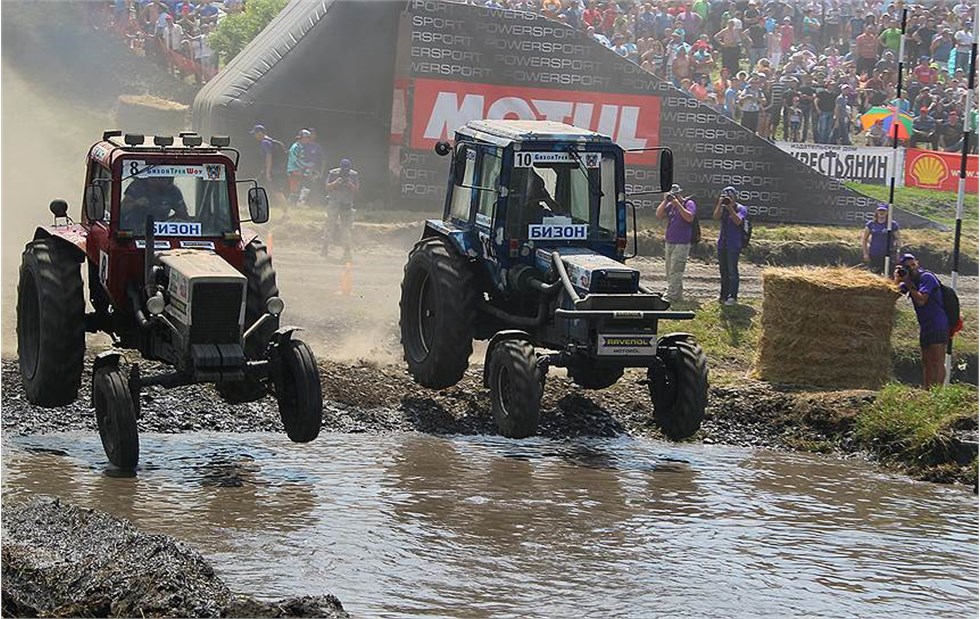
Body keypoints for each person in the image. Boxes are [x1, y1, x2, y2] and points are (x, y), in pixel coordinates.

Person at [893, 253, 949, 388]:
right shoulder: (910, 279)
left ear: (917, 263)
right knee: (926, 361)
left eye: (913, 265)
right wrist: (897, 279)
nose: (912, 268)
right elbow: (892, 294)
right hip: (925, 325)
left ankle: (938, 393)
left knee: (937, 360)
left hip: (938, 323)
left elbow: (921, 300)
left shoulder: (926, 277)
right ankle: (927, 390)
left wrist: (907, 283)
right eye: (908, 266)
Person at [656, 184, 696, 304]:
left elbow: (689, 218)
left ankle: (671, 296)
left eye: (675, 194)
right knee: (669, 270)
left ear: (679, 193)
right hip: (670, 241)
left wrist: (677, 204)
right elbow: (658, 214)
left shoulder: (689, 203)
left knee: (676, 269)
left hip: (682, 242)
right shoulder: (670, 206)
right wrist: (665, 201)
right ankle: (677, 294)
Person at [713, 185, 747, 306]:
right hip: (722, 243)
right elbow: (716, 217)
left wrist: (730, 208)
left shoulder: (741, 208)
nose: (728, 199)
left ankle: (733, 296)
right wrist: (719, 204)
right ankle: (723, 295)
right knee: (723, 271)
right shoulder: (722, 208)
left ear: (735, 198)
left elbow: (738, 221)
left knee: (732, 270)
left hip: (734, 244)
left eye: (730, 197)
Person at [120, 175, 188, 230]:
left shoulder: (173, 191)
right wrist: (135, 203)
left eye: (168, 178)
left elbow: (182, 214)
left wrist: (167, 223)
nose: (165, 180)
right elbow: (122, 208)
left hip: (161, 230)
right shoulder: (138, 186)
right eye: (161, 178)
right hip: (137, 230)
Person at [324, 158, 360, 260]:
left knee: (346, 229)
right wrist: (336, 182)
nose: (345, 172)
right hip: (334, 203)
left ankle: (347, 251)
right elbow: (327, 187)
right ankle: (325, 246)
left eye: (347, 169)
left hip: (346, 204)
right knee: (329, 226)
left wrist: (350, 184)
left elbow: (356, 190)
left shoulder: (353, 175)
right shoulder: (333, 173)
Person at [862, 205, 901, 274]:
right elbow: (864, 239)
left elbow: (898, 239)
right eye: (880, 211)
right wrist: (865, 253)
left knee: (888, 273)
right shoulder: (871, 224)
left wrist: (897, 253)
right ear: (877, 212)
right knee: (875, 273)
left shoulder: (892, 224)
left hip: (888, 254)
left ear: (887, 212)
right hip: (874, 253)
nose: (881, 213)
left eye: (883, 211)